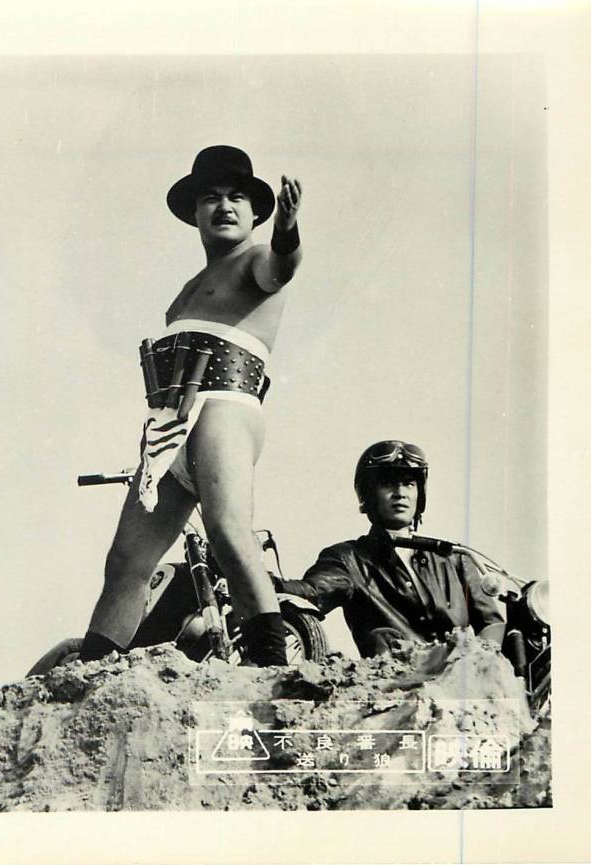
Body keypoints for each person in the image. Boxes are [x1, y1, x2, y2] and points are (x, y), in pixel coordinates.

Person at [78, 145, 304, 666]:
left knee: (228, 533)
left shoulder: (255, 261)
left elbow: (283, 266)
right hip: (169, 423)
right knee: (126, 560)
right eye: (211, 198)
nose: (224, 206)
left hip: (225, 406)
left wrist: (288, 228)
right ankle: (92, 672)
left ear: (256, 212)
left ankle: (273, 665)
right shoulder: (184, 294)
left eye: (237, 197)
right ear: (195, 213)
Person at [273, 440, 505, 657]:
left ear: (420, 493)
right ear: (368, 494)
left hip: (462, 674)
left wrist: (477, 661)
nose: (400, 493)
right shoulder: (349, 558)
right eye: (387, 484)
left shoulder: (453, 557)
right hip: (396, 678)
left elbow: (492, 623)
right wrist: (266, 583)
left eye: (409, 483)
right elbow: (313, 591)